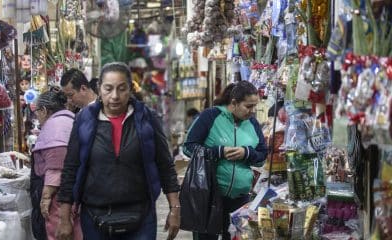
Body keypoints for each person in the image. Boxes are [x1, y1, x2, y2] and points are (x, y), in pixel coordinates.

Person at [56, 62, 181, 240]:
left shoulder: (146, 118)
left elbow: (165, 165)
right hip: (94, 218)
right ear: (99, 89)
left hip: (141, 218)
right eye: (108, 88)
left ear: (130, 89)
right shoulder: (84, 120)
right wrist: (64, 218)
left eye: (121, 89)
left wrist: (175, 208)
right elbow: (70, 168)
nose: (114, 96)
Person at [183, 81, 268, 240]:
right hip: (209, 196)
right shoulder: (210, 116)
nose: (252, 111)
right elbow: (188, 147)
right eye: (248, 106)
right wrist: (218, 152)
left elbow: (262, 156)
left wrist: (247, 153)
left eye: (255, 106)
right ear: (234, 103)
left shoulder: (253, 123)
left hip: (240, 198)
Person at [30, 89, 82, 240]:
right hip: (73, 193)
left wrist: (45, 197)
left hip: (59, 199)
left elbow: (57, 168)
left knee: (60, 234)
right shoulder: (70, 120)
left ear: (44, 110)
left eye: (37, 112)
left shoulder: (55, 127)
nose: (37, 117)